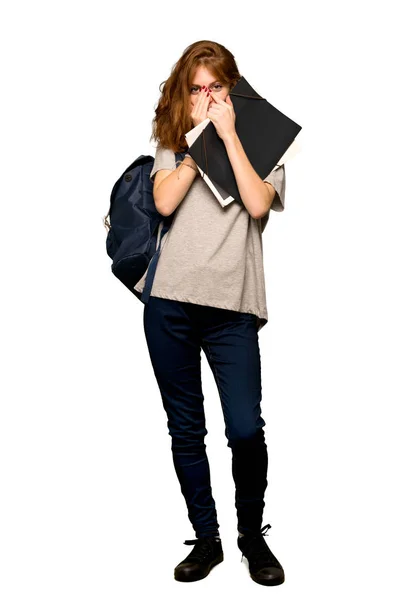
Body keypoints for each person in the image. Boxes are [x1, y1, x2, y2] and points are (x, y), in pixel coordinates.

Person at [134, 40, 286, 586]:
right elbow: (165, 203)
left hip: (232, 308)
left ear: (233, 90)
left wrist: (227, 135)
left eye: (216, 87)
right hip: (170, 302)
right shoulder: (173, 145)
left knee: (245, 428)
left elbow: (258, 203)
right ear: (185, 93)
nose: (206, 96)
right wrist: (197, 145)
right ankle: (208, 538)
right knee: (186, 430)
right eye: (197, 88)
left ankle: (251, 536)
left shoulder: (264, 141)